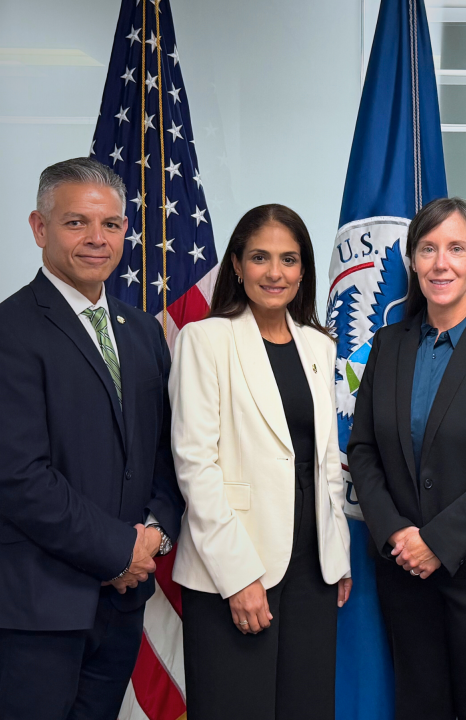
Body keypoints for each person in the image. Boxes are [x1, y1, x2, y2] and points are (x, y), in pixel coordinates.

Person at [0, 157, 184, 720]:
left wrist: (153, 536)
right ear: (39, 228)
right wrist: (116, 551)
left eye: (110, 224)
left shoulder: (141, 334)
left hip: (124, 600)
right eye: (76, 222)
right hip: (41, 604)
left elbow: (163, 452)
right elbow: (16, 478)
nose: (96, 239)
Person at [346, 197, 466, 720]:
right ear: (412, 260)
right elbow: (363, 451)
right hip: (406, 575)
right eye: (428, 249)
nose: (442, 263)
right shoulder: (388, 345)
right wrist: (397, 535)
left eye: (456, 248)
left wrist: (436, 541)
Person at [168, 203, 352, 719]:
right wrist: (239, 577)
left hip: (312, 566)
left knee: (307, 708)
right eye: (260, 258)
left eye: (289, 260)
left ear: (303, 269)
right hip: (237, 566)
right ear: (236, 265)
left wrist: (335, 551)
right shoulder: (205, 340)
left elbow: (327, 460)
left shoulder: (318, 344)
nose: (275, 273)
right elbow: (195, 467)